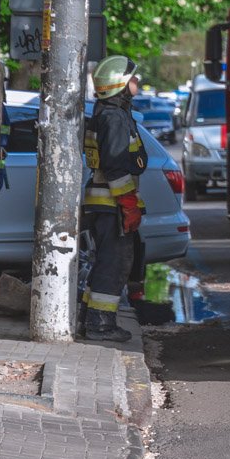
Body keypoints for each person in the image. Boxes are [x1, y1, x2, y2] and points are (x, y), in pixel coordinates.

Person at [81, 55, 147, 342]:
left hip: (105, 204)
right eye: (133, 79)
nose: (137, 83)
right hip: (111, 204)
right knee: (114, 263)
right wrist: (128, 204)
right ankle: (100, 325)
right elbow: (115, 165)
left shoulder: (107, 113)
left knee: (106, 262)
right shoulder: (114, 118)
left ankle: (91, 318)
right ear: (119, 85)